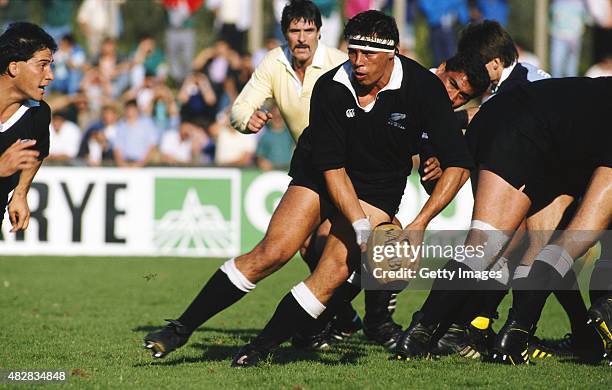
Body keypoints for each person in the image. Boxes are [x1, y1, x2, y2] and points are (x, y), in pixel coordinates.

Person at [228, 10, 474, 367]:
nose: (454, 96)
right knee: (310, 250)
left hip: (370, 185)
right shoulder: (347, 76)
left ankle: (374, 320)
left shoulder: (424, 94)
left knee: (355, 263)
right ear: (442, 67)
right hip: (322, 168)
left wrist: (421, 211)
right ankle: (346, 318)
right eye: (452, 84)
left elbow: (442, 149)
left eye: (463, 95)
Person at [393, 77, 612, 365]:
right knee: (568, 245)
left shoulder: (591, 92)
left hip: (507, 118)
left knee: (512, 245)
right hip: (530, 133)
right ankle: (512, 339)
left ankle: (419, 335)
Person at [0, 22, 55, 231]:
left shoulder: (38, 114)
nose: (50, 75)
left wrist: (20, 192)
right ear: (14, 67)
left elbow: (37, 153)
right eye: (42, 65)